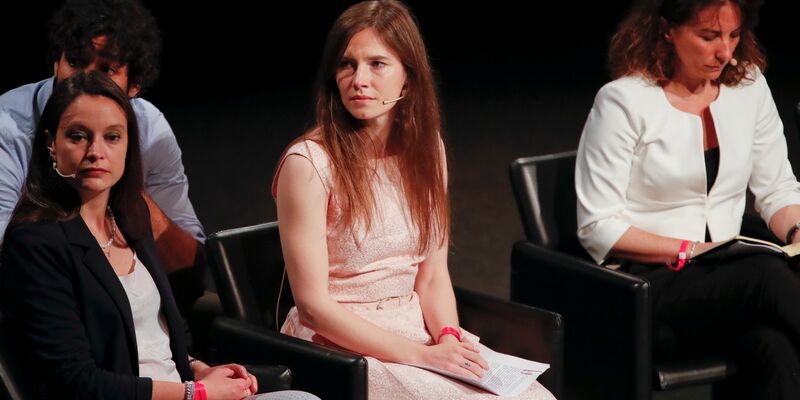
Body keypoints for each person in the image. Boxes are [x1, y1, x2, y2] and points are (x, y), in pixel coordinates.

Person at [272, 1, 556, 398]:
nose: (359, 79)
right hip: (340, 346)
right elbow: (314, 307)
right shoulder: (309, 164)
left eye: (377, 64)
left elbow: (433, 275)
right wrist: (420, 357)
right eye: (347, 64)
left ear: (408, 78)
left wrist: (448, 336)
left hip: (412, 327)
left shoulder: (427, 152)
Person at [0, 72, 319, 400]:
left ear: (128, 146)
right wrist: (196, 392)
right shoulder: (35, 242)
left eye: (112, 137)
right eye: (79, 136)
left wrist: (198, 368)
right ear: (52, 144)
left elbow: (154, 338)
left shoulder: (130, 214)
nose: (96, 151)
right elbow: (76, 382)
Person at [576, 0, 800, 397]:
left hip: (729, 284)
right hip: (646, 286)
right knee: (766, 276)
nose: (725, 52)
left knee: (774, 348)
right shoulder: (623, 101)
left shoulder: (748, 88)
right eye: (709, 36)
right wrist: (696, 250)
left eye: (733, 36)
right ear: (667, 30)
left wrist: (797, 230)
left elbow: (778, 188)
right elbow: (598, 227)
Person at [0, 0, 204, 317]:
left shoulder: (150, 129)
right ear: (56, 63)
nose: (85, 82)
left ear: (133, 86)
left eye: (106, 69)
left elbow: (188, 270)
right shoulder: (8, 127)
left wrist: (127, 190)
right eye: (76, 62)